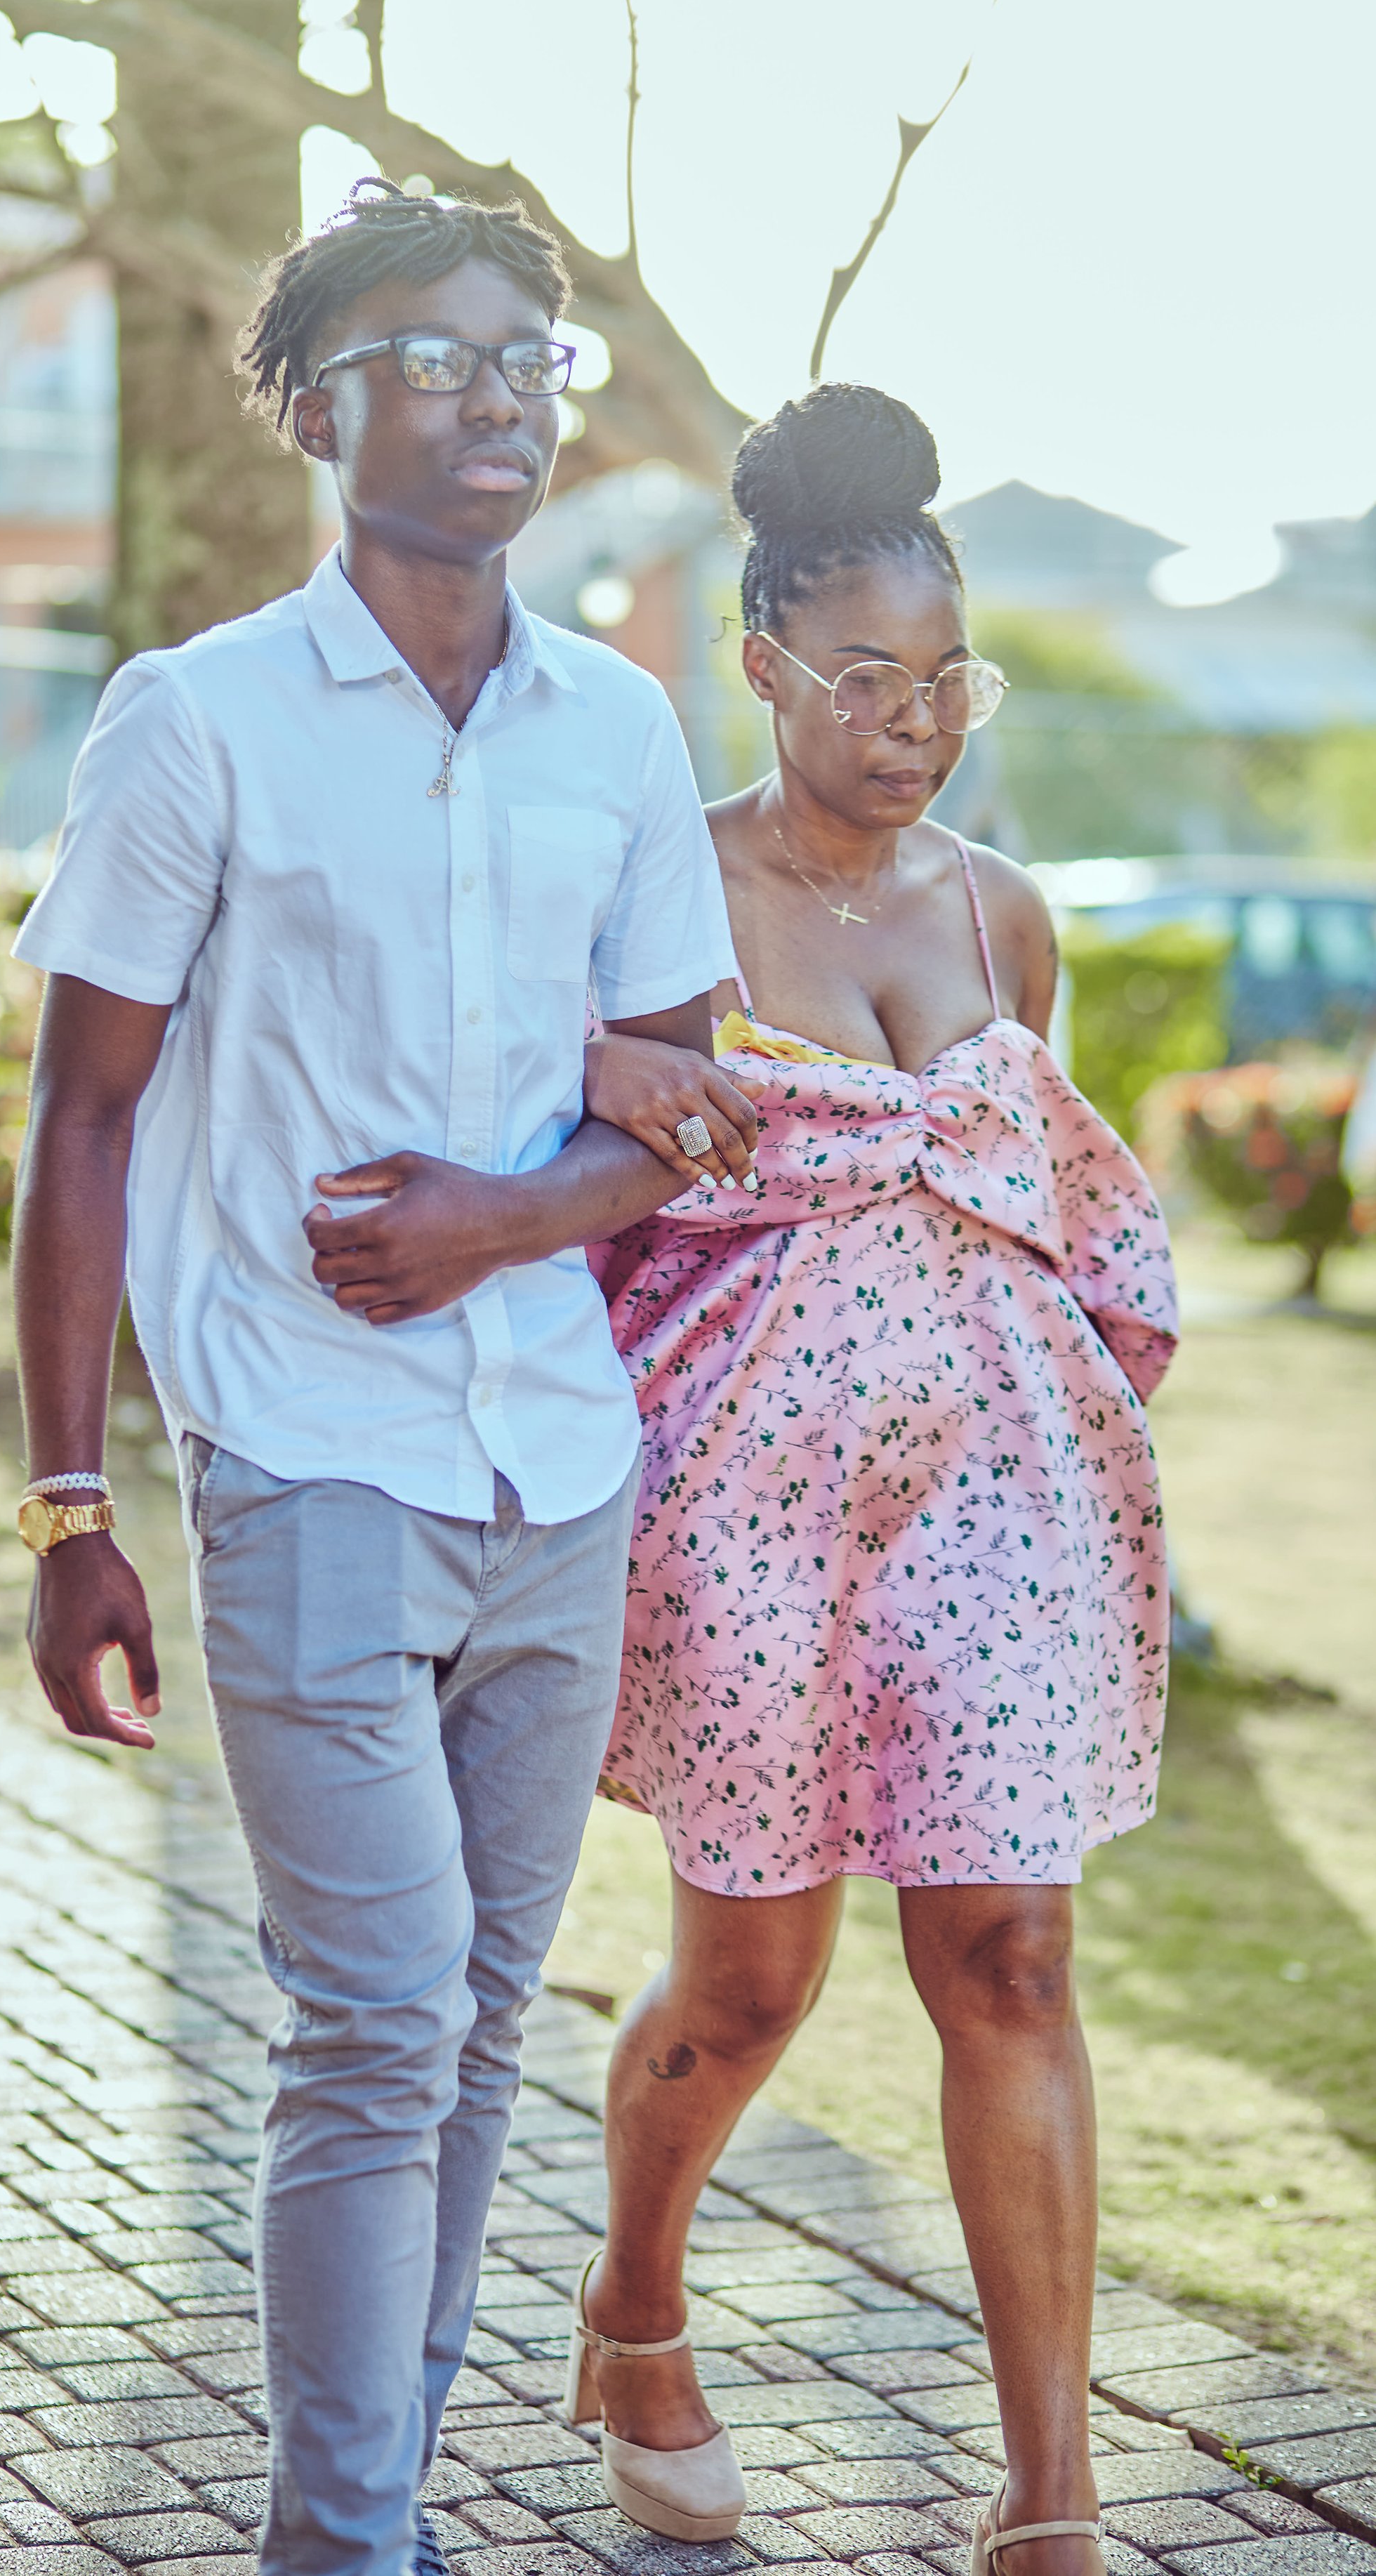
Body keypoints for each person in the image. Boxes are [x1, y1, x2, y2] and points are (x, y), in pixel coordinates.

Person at [6, 179, 761, 2576]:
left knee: (460, 2028)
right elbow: (85, 1115)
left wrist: (495, 1222)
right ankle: (343, 2543)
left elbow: (676, 1104)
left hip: (561, 1468)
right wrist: (64, 1508)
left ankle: (378, 2514)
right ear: (320, 406)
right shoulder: (197, 718)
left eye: (526, 354)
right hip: (305, 1460)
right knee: (369, 2018)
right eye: (436, 356)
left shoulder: (625, 725)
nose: (498, 395)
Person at [570, 384, 1179, 2575]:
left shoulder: (1008, 919)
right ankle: (633, 2296)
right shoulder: (663, 895)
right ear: (758, 665)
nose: (913, 723)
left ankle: (1050, 2504)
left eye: (948, 681)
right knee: (748, 1987)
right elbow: (593, 1201)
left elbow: (1052, 1205)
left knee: (1009, 1956)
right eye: (865, 679)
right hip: (738, 1500)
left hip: (1003, 1493)